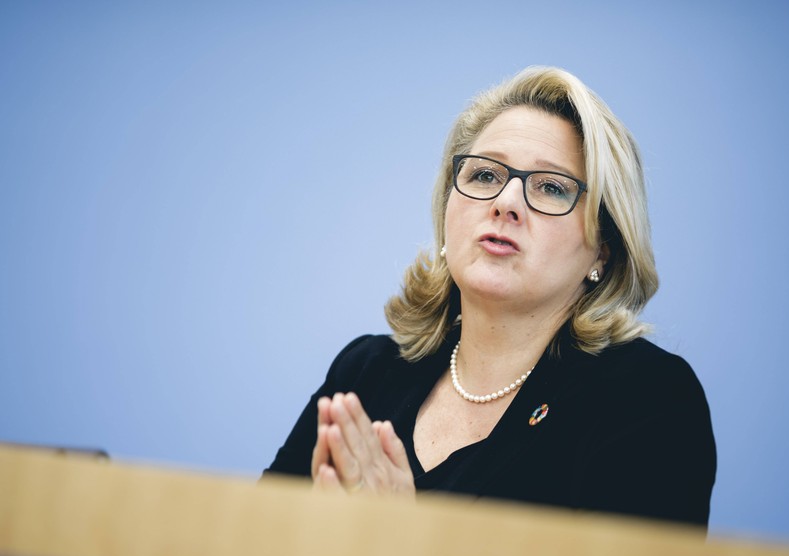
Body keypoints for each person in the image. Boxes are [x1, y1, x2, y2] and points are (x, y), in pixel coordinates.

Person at [264, 66, 716, 527]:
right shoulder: (366, 373)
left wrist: (404, 545)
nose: (506, 202)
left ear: (602, 248)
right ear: (447, 212)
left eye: (552, 187)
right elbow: (251, 537)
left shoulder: (646, 399)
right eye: (484, 176)